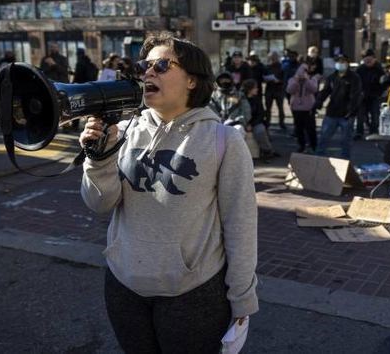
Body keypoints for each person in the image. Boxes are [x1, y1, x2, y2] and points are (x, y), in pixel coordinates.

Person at [79, 32, 258, 353]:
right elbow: (99, 203)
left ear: (192, 79)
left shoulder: (224, 140)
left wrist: (242, 298)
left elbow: (240, 225)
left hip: (192, 293)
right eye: (144, 66)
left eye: (161, 65)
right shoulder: (126, 130)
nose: (148, 73)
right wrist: (98, 158)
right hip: (124, 285)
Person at [315, 55, 361, 159]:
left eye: (343, 61)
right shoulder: (332, 77)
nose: (340, 64)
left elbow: (356, 95)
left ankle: (345, 164)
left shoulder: (354, 78)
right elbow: (325, 91)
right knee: (323, 138)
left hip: (347, 115)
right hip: (332, 113)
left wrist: (351, 110)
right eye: (338, 62)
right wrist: (318, 102)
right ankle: (318, 160)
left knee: (346, 142)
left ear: (347, 63)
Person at [287, 59, 321, 153]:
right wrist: (297, 80)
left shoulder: (312, 79)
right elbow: (289, 90)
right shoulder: (293, 79)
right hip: (296, 108)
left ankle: (313, 145)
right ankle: (301, 145)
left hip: (308, 108)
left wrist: (307, 80)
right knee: (299, 128)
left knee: (311, 128)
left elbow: (314, 89)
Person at [241, 79, 279, 161]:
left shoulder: (257, 99)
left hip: (255, 122)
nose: (257, 89)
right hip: (242, 122)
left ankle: (267, 150)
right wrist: (246, 123)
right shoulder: (241, 99)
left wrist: (252, 124)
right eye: (255, 88)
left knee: (260, 130)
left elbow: (260, 114)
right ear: (249, 89)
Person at [355, 49, 384, 139]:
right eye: (365, 60)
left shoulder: (379, 69)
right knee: (360, 116)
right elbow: (356, 82)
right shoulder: (360, 69)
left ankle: (374, 132)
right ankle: (359, 132)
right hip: (362, 96)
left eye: (370, 60)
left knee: (375, 115)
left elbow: (383, 83)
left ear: (374, 59)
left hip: (374, 96)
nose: (368, 61)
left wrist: (380, 93)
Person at [263, 51, 286, 129]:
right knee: (268, 108)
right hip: (269, 89)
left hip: (279, 89)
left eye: (274, 58)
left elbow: (284, 79)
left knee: (280, 107)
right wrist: (266, 79)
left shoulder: (281, 67)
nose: (272, 60)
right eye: (271, 58)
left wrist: (279, 81)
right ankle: (267, 122)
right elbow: (264, 77)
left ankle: (281, 123)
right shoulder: (267, 67)